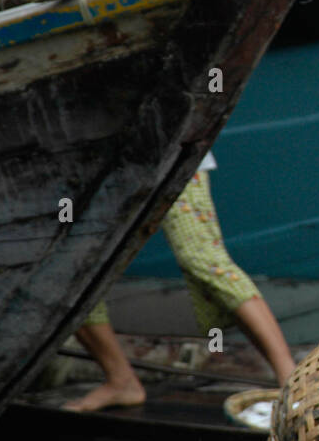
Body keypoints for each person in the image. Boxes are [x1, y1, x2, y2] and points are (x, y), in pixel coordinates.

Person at [65, 151, 295, 411]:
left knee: (203, 259)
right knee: (73, 269)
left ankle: (289, 380)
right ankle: (121, 380)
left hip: (173, 153)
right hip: (93, 162)